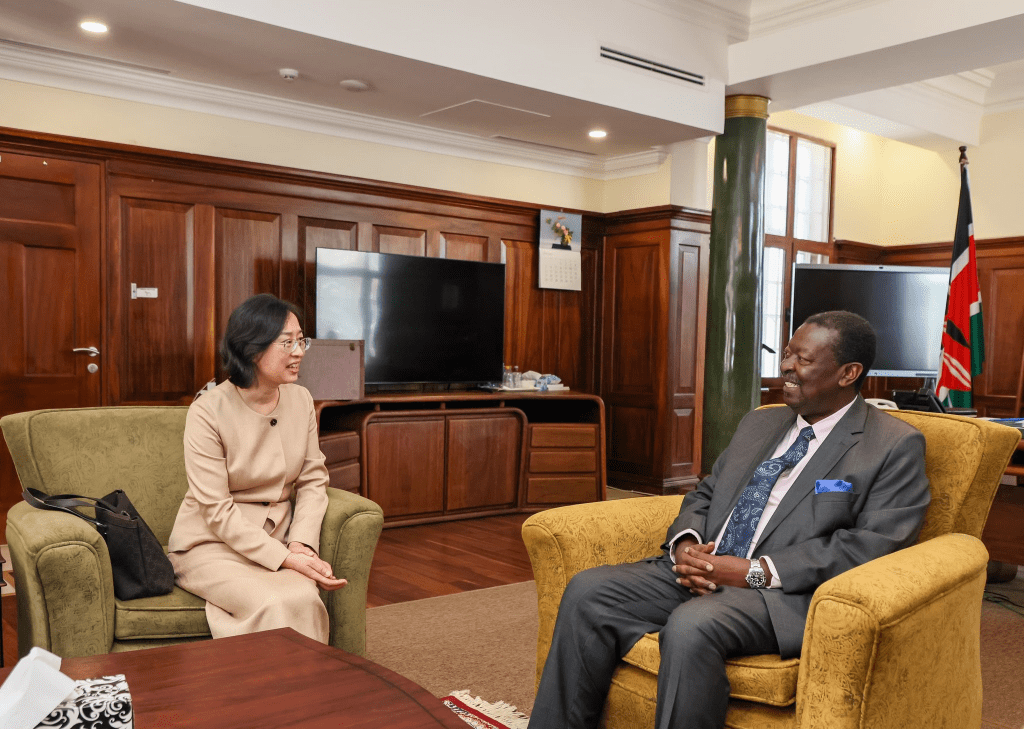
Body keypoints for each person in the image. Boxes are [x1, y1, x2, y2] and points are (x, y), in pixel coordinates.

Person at [528, 310, 931, 729]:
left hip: (781, 594)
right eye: (788, 353)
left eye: (804, 360)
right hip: (705, 568)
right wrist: (685, 546)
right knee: (588, 590)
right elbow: (706, 492)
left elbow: (873, 545)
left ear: (849, 373)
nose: (787, 366)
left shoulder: (892, 444)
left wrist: (753, 573)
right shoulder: (762, 421)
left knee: (691, 625)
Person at [168, 293, 346, 643]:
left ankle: (307, 696)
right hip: (211, 545)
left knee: (304, 598)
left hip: (281, 538)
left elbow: (312, 480)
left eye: (301, 340)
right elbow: (216, 510)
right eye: (288, 342)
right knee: (273, 600)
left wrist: (301, 545)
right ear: (252, 349)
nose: (299, 352)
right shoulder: (208, 411)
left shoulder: (301, 400)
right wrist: (284, 559)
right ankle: (260, 695)